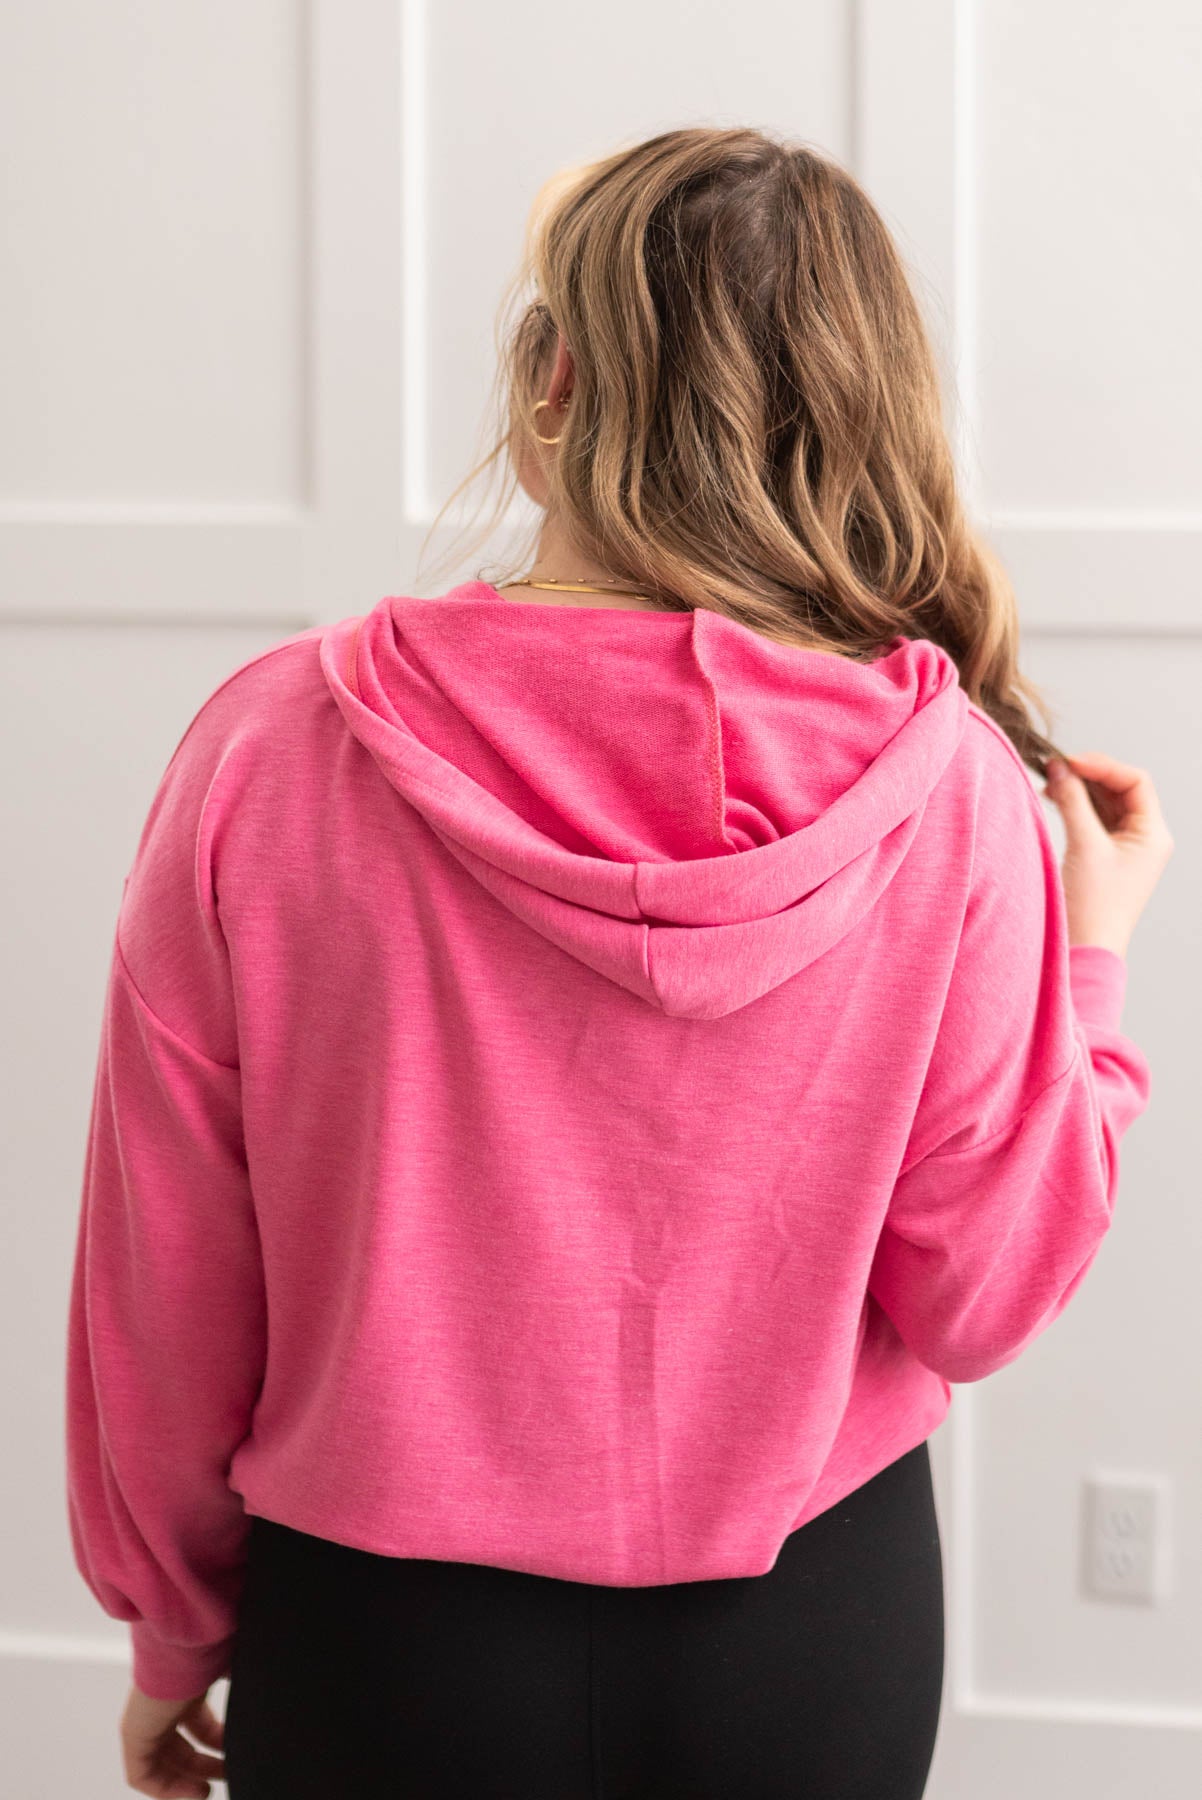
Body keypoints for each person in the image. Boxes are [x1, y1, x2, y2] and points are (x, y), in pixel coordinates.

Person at [64, 126, 1172, 1800]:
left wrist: (170, 1633)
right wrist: (1089, 963)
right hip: (812, 1637)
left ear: (551, 384)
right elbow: (982, 1291)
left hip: (384, 1648)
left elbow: (166, 1283)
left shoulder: (275, 752)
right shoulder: (948, 795)